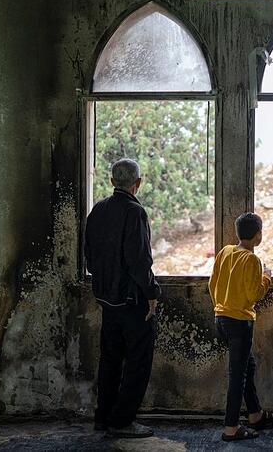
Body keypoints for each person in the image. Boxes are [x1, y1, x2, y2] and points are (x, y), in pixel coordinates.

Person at [83, 159, 160, 439]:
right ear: (137, 183)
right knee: (138, 362)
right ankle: (123, 421)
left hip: (107, 299)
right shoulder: (135, 212)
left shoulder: (98, 210)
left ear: (112, 181)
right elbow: (139, 260)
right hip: (131, 301)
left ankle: (103, 417)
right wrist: (151, 293)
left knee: (110, 359)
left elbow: (90, 258)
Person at [208, 213, 273, 441]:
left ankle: (256, 415)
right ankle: (231, 428)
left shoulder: (226, 252)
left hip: (221, 318)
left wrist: (222, 306)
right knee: (237, 375)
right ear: (258, 236)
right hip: (240, 322)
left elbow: (212, 283)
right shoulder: (251, 260)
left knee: (247, 366)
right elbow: (254, 294)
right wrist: (266, 278)